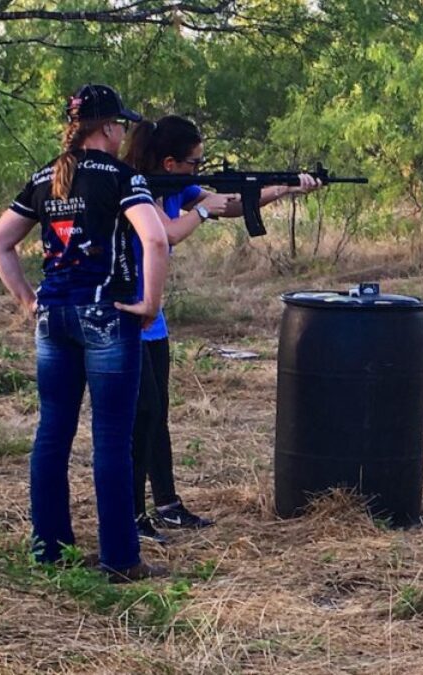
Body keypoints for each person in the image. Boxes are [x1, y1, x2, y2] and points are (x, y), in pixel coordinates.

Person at [0, 84, 170, 582]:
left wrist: (28, 300)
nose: (123, 133)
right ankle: (120, 559)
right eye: (120, 125)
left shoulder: (45, 177)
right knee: (111, 439)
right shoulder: (121, 176)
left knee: (52, 434)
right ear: (108, 127)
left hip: (55, 318)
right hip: (107, 315)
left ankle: (50, 551)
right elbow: (154, 238)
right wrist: (149, 304)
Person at [122, 114, 320, 543]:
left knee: (158, 417)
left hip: (152, 320)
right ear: (170, 163)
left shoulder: (178, 187)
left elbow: (228, 203)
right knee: (141, 417)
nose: (199, 169)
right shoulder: (138, 188)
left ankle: (167, 504)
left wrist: (284, 188)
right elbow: (169, 233)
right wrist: (203, 214)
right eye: (195, 162)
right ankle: (132, 515)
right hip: (127, 315)